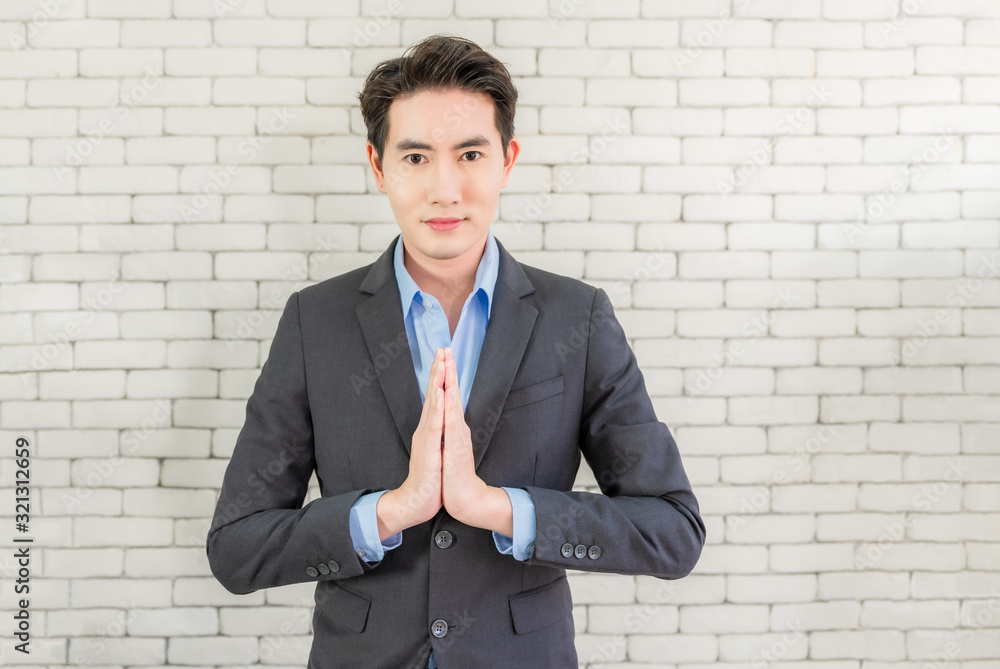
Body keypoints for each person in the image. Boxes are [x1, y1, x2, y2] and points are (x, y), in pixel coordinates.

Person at [206, 34, 706, 669]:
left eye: (470, 154)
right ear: (378, 167)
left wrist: (497, 508)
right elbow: (237, 547)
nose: (445, 189)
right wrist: (388, 512)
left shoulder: (576, 317)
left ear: (507, 161)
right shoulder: (315, 321)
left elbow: (671, 531)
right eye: (416, 157)